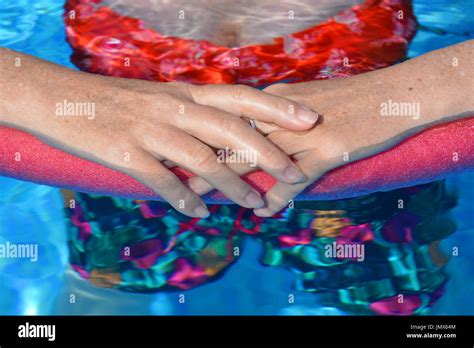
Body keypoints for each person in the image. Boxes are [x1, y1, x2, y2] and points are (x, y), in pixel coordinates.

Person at [0, 0, 472, 314]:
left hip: (357, 157)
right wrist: (54, 97)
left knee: (405, 307)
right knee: (99, 298)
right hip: (134, 157)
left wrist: (401, 99)